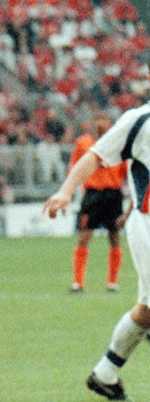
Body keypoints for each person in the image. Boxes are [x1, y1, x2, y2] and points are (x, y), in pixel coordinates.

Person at [45, 101, 150, 401]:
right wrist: (66, 191)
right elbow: (95, 156)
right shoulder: (139, 120)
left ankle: (105, 373)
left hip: (133, 208)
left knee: (146, 311)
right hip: (147, 224)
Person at [67, 116, 130, 293]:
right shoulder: (83, 142)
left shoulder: (118, 143)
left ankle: (112, 282)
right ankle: (78, 283)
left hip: (113, 193)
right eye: (98, 121)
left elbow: (125, 170)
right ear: (94, 125)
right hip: (92, 194)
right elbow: (75, 167)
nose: (101, 124)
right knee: (84, 236)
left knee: (115, 236)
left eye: (105, 122)